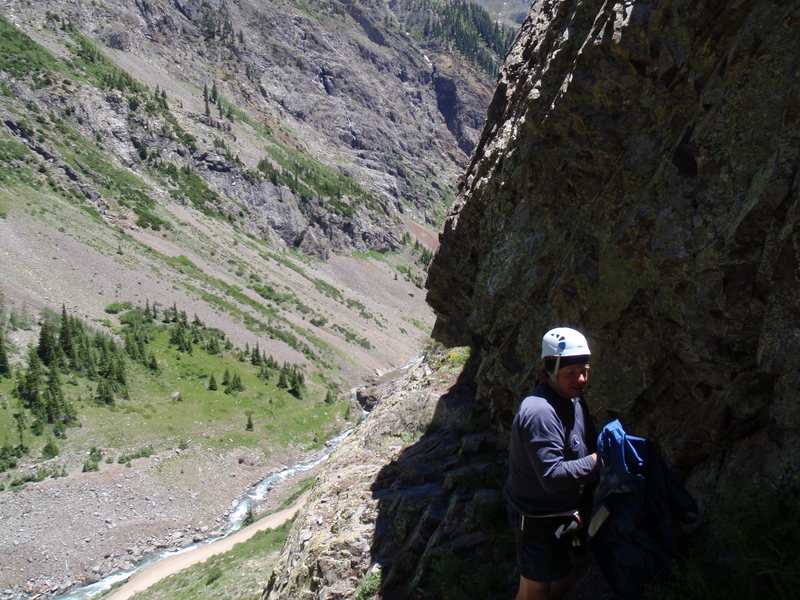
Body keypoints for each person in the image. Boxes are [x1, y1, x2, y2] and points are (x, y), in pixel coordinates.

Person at [505, 327, 599, 600]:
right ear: (549, 368)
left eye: (585, 370)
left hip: (565, 512)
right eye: (571, 372)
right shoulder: (540, 412)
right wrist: (599, 460)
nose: (581, 379)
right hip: (537, 518)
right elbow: (552, 475)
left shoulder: (574, 399)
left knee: (566, 574)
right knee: (535, 588)